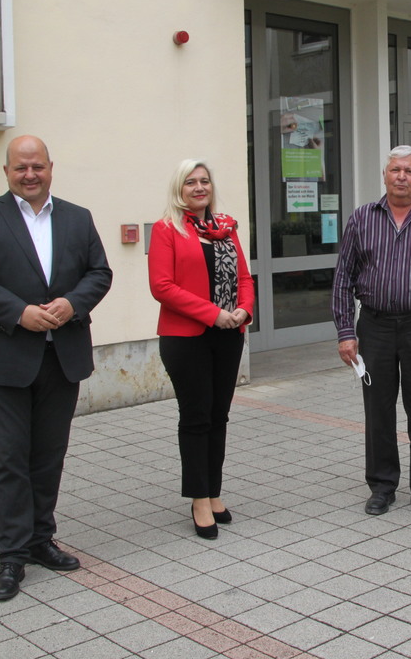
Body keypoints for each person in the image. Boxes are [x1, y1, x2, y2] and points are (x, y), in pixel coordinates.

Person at [0, 135, 112, 602]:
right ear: (6, 172)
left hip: (60, 357)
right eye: (20, 168)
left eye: (37, 166)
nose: (29, 174)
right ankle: (11, 555)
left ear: (50, 168)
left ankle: (41, 540)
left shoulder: (77, 218)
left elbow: (99, 273)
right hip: (2, 359)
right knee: (7, 461)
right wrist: (18, 311)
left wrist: (71, 303)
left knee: (47, 458)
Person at [332, 146, 411, 518]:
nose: (401, 176)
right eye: (395, 170)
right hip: (373, 327)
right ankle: (382, 486)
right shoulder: (361, 219)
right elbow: (342, 282)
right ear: (385, 175)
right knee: (378, 410)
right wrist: (345, 332)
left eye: (408, 170)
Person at [148, 160, 254, 540]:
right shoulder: (166, 230)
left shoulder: (226, 228)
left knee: (219, 415)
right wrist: (214, 315)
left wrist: (244, 310)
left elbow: (243, 275)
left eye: (204, 181)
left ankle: (213, 490)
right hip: (186, 338)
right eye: (190, 182)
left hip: (228, 334)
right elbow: (162, 287)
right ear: (180, 188)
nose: (198, 187)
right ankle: (197, 498)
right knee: (195, 417)